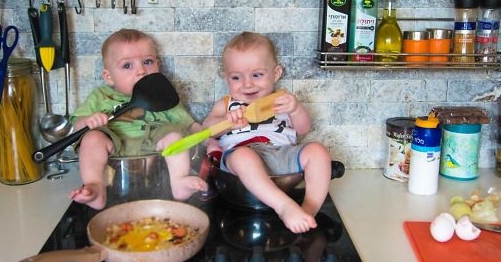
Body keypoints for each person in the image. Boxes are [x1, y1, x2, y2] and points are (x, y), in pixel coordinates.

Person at [203, 32, 332, 233]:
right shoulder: (227, 104)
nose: (247, 84)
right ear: (226, 78)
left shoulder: (282, 101)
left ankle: (308, 209)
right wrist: (226, 122)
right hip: (243, 158)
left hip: (281, 152)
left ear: (276, 74)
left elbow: (303, 129)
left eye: (257, 75)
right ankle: (284, 206)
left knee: (318, 150)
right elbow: (206, 130)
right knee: (242, 156)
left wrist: (295, 109)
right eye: (236, 77)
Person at [68, 29, 206, 210]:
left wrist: (211, 139)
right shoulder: (101, 96)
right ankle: (95, 186)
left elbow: (192, 125)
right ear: (109, 77)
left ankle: (179, 181)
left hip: (153, 147)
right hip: (113, 148)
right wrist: (88, 121)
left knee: (174, 134)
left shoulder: (162, 96)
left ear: (158, 65)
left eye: (147, 62)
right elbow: (76, 125)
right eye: (127, 66)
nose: (141, 71)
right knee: (91, 138)